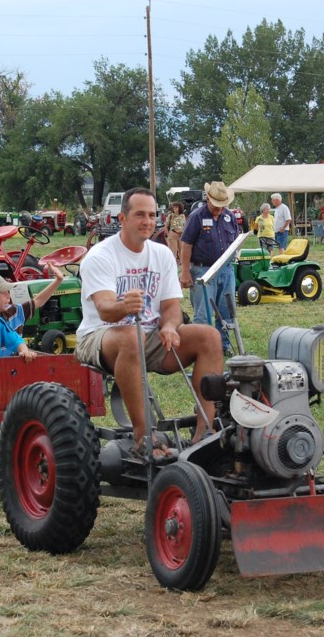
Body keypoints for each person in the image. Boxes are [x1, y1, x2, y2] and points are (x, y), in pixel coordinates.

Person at [76, 187, 223, 459]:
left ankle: (206, 434)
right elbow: (105, 310)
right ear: (122, 218)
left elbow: (171, 308)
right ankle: (143, 436)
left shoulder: (162, 254)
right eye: (139, 215)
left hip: (150, 336)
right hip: (100, 337)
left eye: (152, 215)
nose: (147, 221)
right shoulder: (100, 256)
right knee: (132, 337)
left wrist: (169, 326)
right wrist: (123, 306)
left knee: (209, 337)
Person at [180, 181, 240, 356]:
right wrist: (185, 272)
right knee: (203, 313)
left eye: (223, 205)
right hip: (202, 271)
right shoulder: (196, 217)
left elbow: (236, 241)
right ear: (208, 199)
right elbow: (186, 245)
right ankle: (203, 348)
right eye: (217, 205)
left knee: (226, 311)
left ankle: (223, 345)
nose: (220, 209)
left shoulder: (230, 217)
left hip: (226, 270)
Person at [0, 265, 65, 354]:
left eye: (8, 292)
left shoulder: (15, 312)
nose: (8, 296)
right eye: (3, 293)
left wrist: (58, 281)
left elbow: (38, 301)